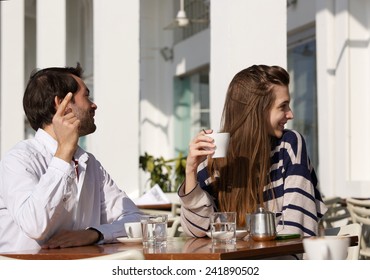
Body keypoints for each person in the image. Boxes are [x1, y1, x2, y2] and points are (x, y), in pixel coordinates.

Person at [0, 64, 142, 253]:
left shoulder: (89, 163)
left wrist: (95, 233)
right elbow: (34, 225)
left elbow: (137, 220)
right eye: (86, 95)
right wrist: (63, 154)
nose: (93, 105)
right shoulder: (19, 159)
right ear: (62, 105)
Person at [178, 64, 327, 239]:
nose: (290, 114)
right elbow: (197, 231)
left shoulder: (289, 145)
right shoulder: (217, 155)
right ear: (258, 111)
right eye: (283, 106)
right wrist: (191, 171)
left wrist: (242, 242)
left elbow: (298, 230)